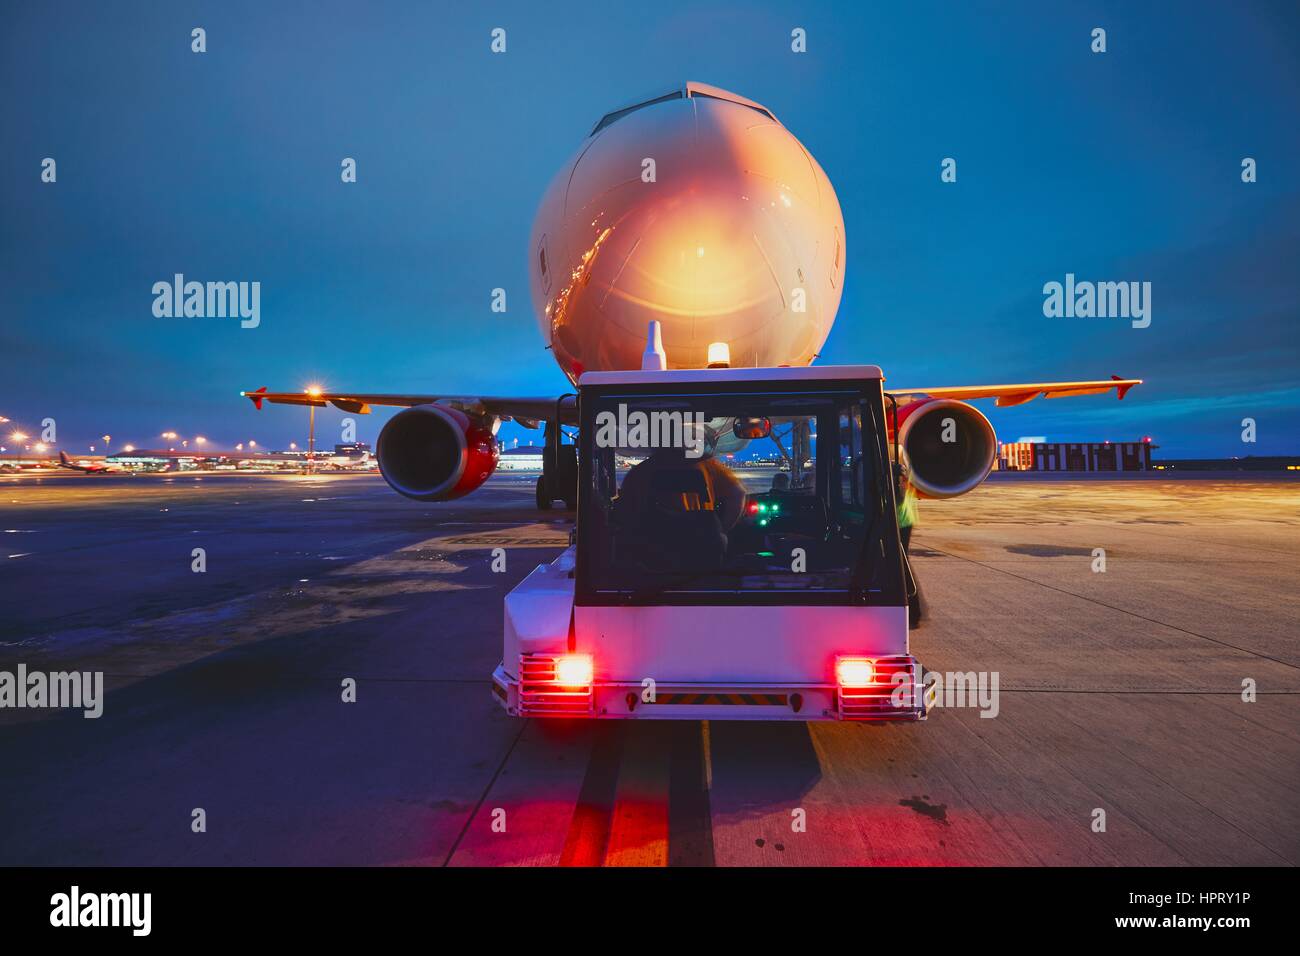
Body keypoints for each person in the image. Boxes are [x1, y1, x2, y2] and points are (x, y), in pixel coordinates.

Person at [894, 461, 924, 626]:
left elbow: (899, 495)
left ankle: (914, 613)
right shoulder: (900, 461)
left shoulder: (897, 463)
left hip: (900, 519)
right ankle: (913, 612)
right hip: (903, 517)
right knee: (901, 563)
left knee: (901, 564)